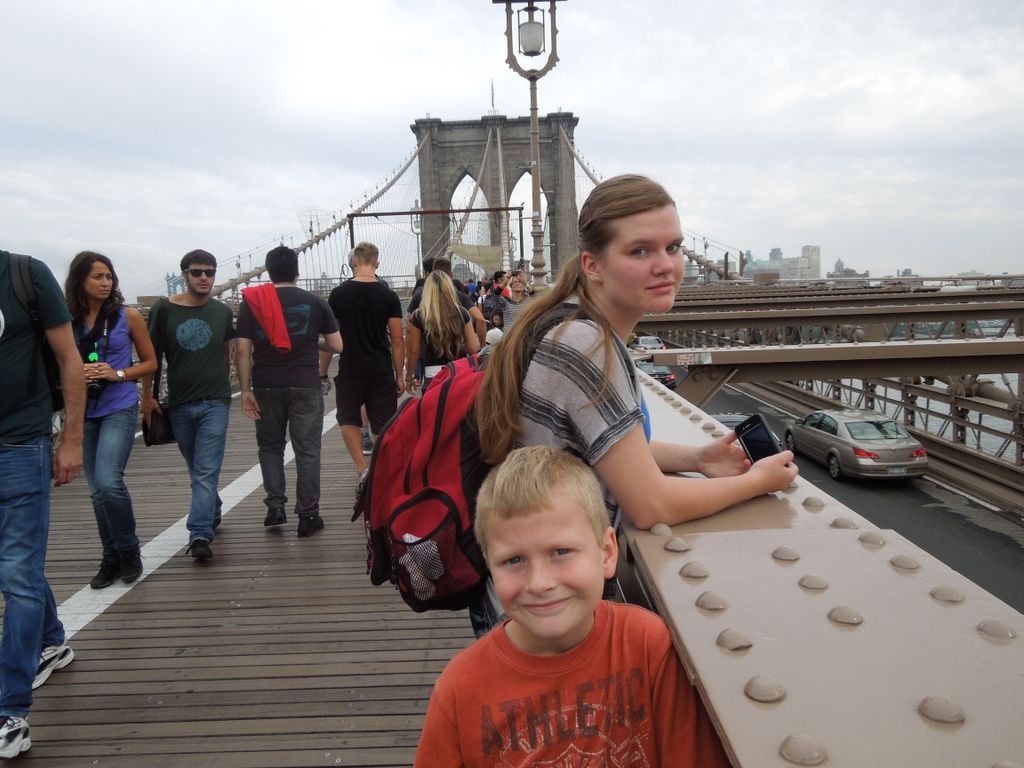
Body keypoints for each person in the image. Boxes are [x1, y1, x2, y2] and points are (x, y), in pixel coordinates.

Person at [471, 175, 798, 631]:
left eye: (674, 247)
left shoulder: (570, 322)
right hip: (542, 618)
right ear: (593, 265)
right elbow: (649, 504)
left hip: (532, 597)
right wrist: (756, 482)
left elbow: (598, 445)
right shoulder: (583, 345)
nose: (666, 265)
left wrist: (698, 458)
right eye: (640, 251)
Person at [414, 446, 730, 767]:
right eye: (513, 560)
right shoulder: (460, 690)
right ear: (489, 567)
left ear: (607, 553)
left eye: (561, 552)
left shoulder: (647, 645)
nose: (539, 583)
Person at [1, 250, 85, 759]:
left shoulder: (23, 275)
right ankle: (52, 638)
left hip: (19, 444)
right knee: (18, 568)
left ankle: (9, 710)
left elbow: (69, 358)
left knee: (16, 573)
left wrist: (71, 440)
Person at [64, 252, 157, 588]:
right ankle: (111, 556)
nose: (105, 283)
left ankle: (129, 550)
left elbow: (150, 362)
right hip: (82, 410)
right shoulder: (66, 320)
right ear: (80, 281)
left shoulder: (127, 316)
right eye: (97, 277)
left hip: (119, 404)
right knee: (96, 492)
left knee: (108, 482)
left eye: (109, 277)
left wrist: (116, 373)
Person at [236, 246, 342, 537]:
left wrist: (245, 390)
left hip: (266, 384)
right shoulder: (315, 302)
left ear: (269, 272)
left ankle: (275, 508)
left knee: (270, 447)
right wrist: (310, 340)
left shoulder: (252, 302)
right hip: (305, 383)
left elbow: (243, 350)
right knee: (307, 450)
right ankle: (308, 516)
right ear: (297, 271)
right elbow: (337, 346)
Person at [141, 250, 235, 562]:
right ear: (184, 275)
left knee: (206, 469)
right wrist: (147, 397)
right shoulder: (164, 309)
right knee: (197, 468)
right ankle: (212, 507)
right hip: (178, 402)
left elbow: (225, 353)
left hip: (215, 401)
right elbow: (151, 357)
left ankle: (199, 533)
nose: (204, 278)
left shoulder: (222, 312)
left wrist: (228, 388)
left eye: (210, 272)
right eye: (197, 272)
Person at [328, 242, 404, 483]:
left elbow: (330, 336)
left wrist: (321, 371)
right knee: (383, 425)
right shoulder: (388, 296)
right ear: (377, 264)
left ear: (354, 262)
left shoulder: (338, 294)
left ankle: (362, 468)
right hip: (380, 368)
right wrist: (400, 375)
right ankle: (381, 469)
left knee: (348, 419)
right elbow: (397, 339)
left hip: (349, 367)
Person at [404, 271, 480, 392]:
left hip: (432, 374)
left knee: (433, 404)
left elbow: (414, 350)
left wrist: (409, 377)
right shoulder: (462, 313)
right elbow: (472, 348)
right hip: (458, 371)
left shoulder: (419, 315)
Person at [406, 257, 486, 347]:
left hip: (425, 352)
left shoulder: (419, 295)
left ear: (433, 274)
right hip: (455, 352)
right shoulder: (459, 295)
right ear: (451, 274)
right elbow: (480, 319)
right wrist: (482, 346)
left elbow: (409, 326)